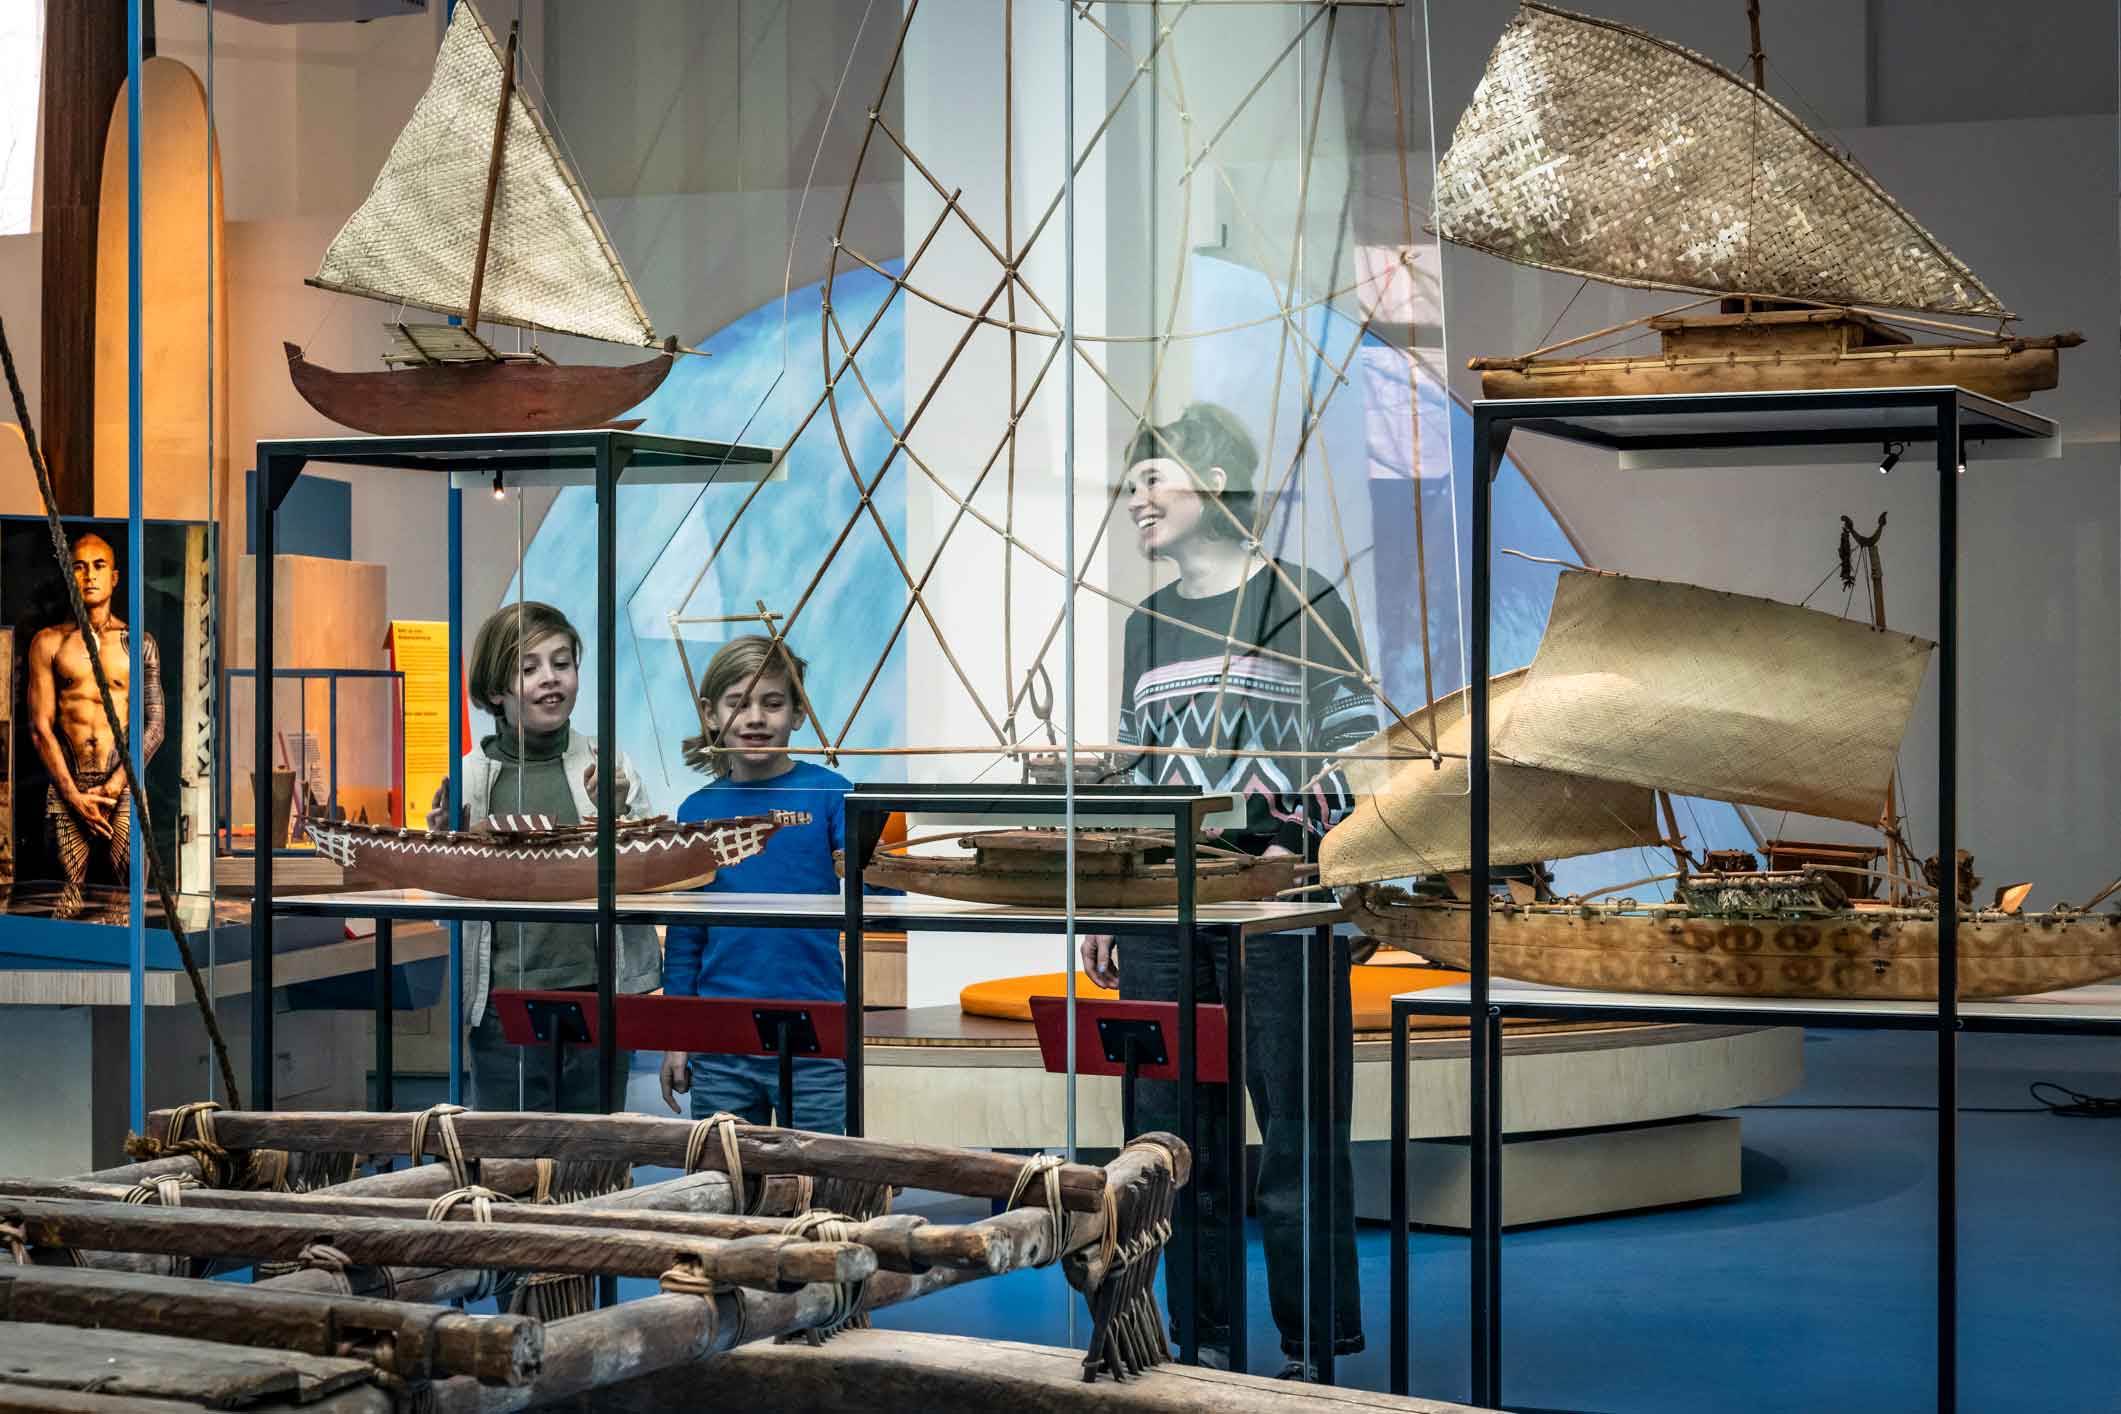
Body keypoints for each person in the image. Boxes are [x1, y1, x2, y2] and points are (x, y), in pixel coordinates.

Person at [1079, 402, 1376, 1377]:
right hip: (1166, 915)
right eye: (1129, 487)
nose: (1135, 501)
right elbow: (1133, 773)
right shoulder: (1145, 625)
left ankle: (1312, 1349)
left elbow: (1357, 740)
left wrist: (1311, 856)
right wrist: (1108, 901)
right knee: (1168, 1138)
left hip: (1281, 912)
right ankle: (1199, 1340)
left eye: (1151, 480)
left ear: (1212, 481)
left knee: (1299, 1133)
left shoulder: (1301, 597)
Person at [431, 600, 661, 1113]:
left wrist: (621, 812)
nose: (551, 678)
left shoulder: (610, 764)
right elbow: (445, 893)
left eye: (562, 663)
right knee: (510, 1145)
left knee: (595, 1145)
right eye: (529, 668)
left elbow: (647, 871)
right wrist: (444, 845)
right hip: (501, 1003)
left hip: (598, 994)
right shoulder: (468, 777)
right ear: (496, 689)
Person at [658, 636, 864, 1133]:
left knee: (820, 1169)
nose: (754, 719)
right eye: (739, 703)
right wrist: (677, 1034)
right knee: (723, 1171)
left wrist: (879, 840)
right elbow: (685, 937)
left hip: (815, 1037)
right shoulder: (697, 811)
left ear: (799, 713)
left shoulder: (832, 795)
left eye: (772, 704)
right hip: (721, 1040)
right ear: (710, 714)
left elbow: (879, 894)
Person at [25, 532, 162, 913]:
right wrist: (73, 795)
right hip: (67, 785)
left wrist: (116, 785)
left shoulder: (138, 643)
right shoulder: (48, 642)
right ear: (69, 575)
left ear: (114, 577)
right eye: (79, 567)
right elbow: (40, 728)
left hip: (123, 784)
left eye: (99, 566)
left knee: (128, 907)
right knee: (60, 906)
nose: (89, 575)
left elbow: (154, 725)